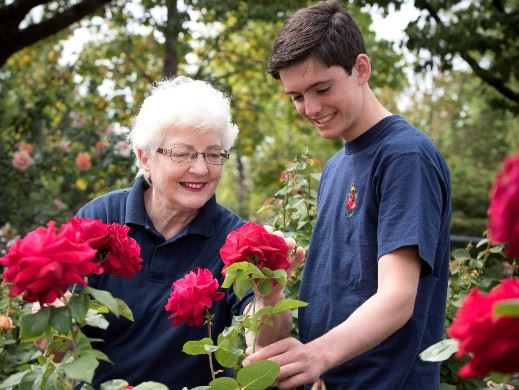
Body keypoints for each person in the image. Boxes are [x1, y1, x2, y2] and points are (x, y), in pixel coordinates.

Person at [243, 1, 452, 389]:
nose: (311, 108)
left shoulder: (405, 156)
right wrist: (321, 365)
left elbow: (397, 297)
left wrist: (317, 354)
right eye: (297, 96)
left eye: (322, 89)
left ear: (361, 68)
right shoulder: (337, 166)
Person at [76, 77, 304, 388]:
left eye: (213, 154)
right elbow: (58, 347)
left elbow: (261, 349)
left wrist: (270, 292)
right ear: (145, 157)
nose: (201, 169)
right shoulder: (100, 220)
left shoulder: (235, 240)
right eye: (183, 154)